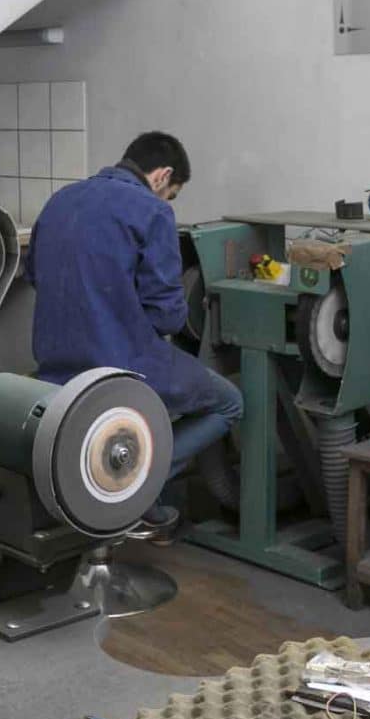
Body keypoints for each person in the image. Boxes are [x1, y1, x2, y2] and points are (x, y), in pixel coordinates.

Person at [25, 131, 241, 543]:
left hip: (55, 368)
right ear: (162, 176)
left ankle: (116, 485)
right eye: (172, 193)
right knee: (230, 403)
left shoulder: (61, 200)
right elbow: (169, 315)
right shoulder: (151, 212)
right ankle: (135, 487)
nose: (167, 202)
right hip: (122, 367)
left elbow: (34, 275)